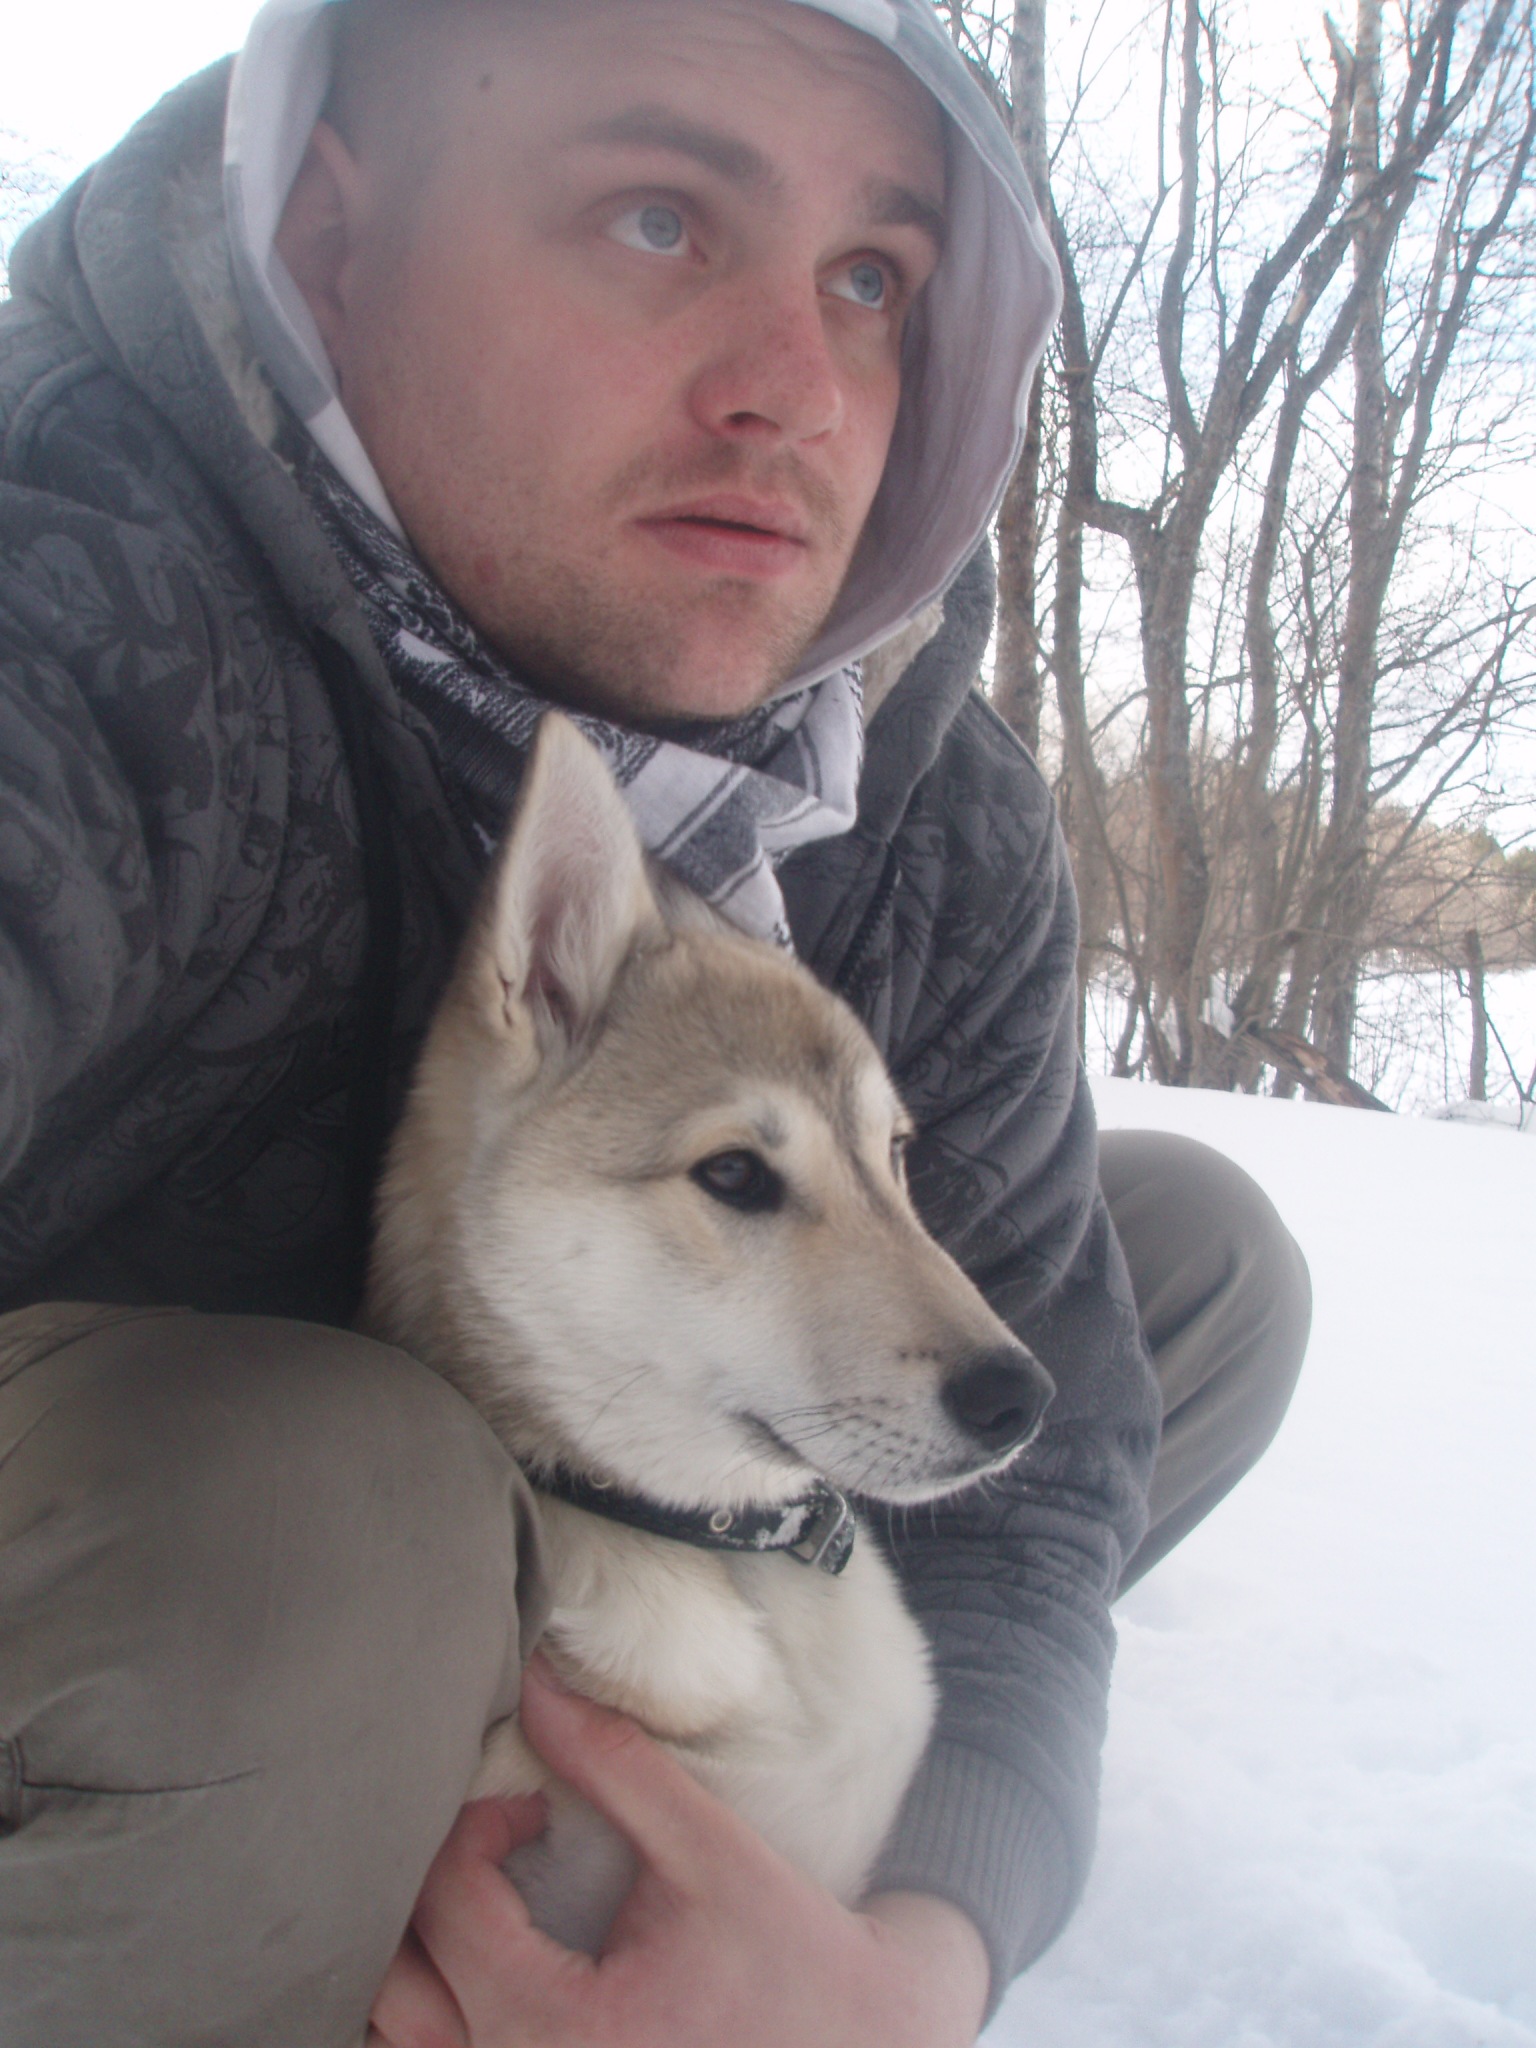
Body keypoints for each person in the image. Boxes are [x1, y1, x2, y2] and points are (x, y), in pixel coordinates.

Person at [0, 1, 1312, 2042]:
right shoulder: (86, 594)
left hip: (596, 1443)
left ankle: (718, 1804)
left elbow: (1048, 1468)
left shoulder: (922, 795)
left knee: (1186, 1269)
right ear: (336, 242)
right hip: (154, 1542)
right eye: (657, 217)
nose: (797, 388)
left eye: (871, 277)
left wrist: (911, 1964)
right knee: (315, 1504)